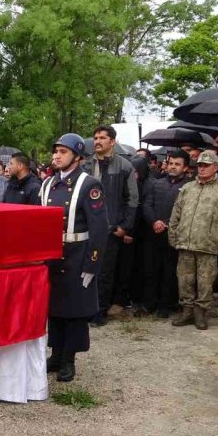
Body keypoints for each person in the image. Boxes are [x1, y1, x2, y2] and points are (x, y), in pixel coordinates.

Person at [41, 133, 108, 382]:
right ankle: (56, 354)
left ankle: (69, 359)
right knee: (55, 308)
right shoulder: (48, 184)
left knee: (75, 310)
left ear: (77, 157)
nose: (56, 156)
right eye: (55, 151)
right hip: (53, 256)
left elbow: (100, 228)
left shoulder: (89, 185)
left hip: (77, 254)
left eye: (63, 152)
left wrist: (92, 263)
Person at [168, 151, 218, 330]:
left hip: (208, 244)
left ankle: (201, 312)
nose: (202, 168)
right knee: (184, 279)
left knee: (205, 282)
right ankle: (187, 310)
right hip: (185, 242)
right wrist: (173, 234)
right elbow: (176, 212)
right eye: (200, 165)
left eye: (206, 165)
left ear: (215, 167)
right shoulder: (188, 188)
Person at [81, 125, 138, 326]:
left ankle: (100, 312)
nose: (97, 141)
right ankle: (85, 310)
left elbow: (132, 198)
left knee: (105, 272)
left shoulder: (124, 166)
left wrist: (125, 226)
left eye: (102, 138)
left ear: (112, 141)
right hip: (87, 227)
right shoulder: (86, 165)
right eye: (95, 137)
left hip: (110, 229)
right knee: (86, 268)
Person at [141, 150, 189, 318]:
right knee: (150, 270)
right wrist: (155, 221)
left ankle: (166, 305)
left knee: (169, 272)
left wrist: (167, 223)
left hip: (174, 235)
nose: (173, 167)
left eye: (177, 164)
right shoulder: (156, 184)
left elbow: (186, 211)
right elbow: (147, 205)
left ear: (185, 168)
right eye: (171, 163)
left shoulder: (189, 187)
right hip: (153, 234)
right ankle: (149, 303)